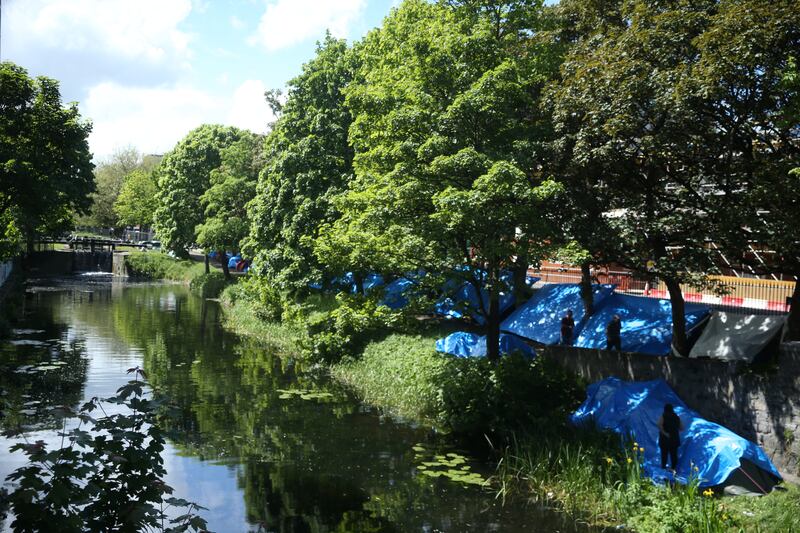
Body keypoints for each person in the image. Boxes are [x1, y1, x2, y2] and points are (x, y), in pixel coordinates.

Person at [658, 403, 683, 470]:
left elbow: (659, 425)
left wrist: (665, 433)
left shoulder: (663, 416)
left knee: (664, 455)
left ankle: (663, 468)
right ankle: (674, 469)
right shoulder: (676, 417)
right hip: (674, 439)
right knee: (674, 455)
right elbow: (681, 428)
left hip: (664, 439)